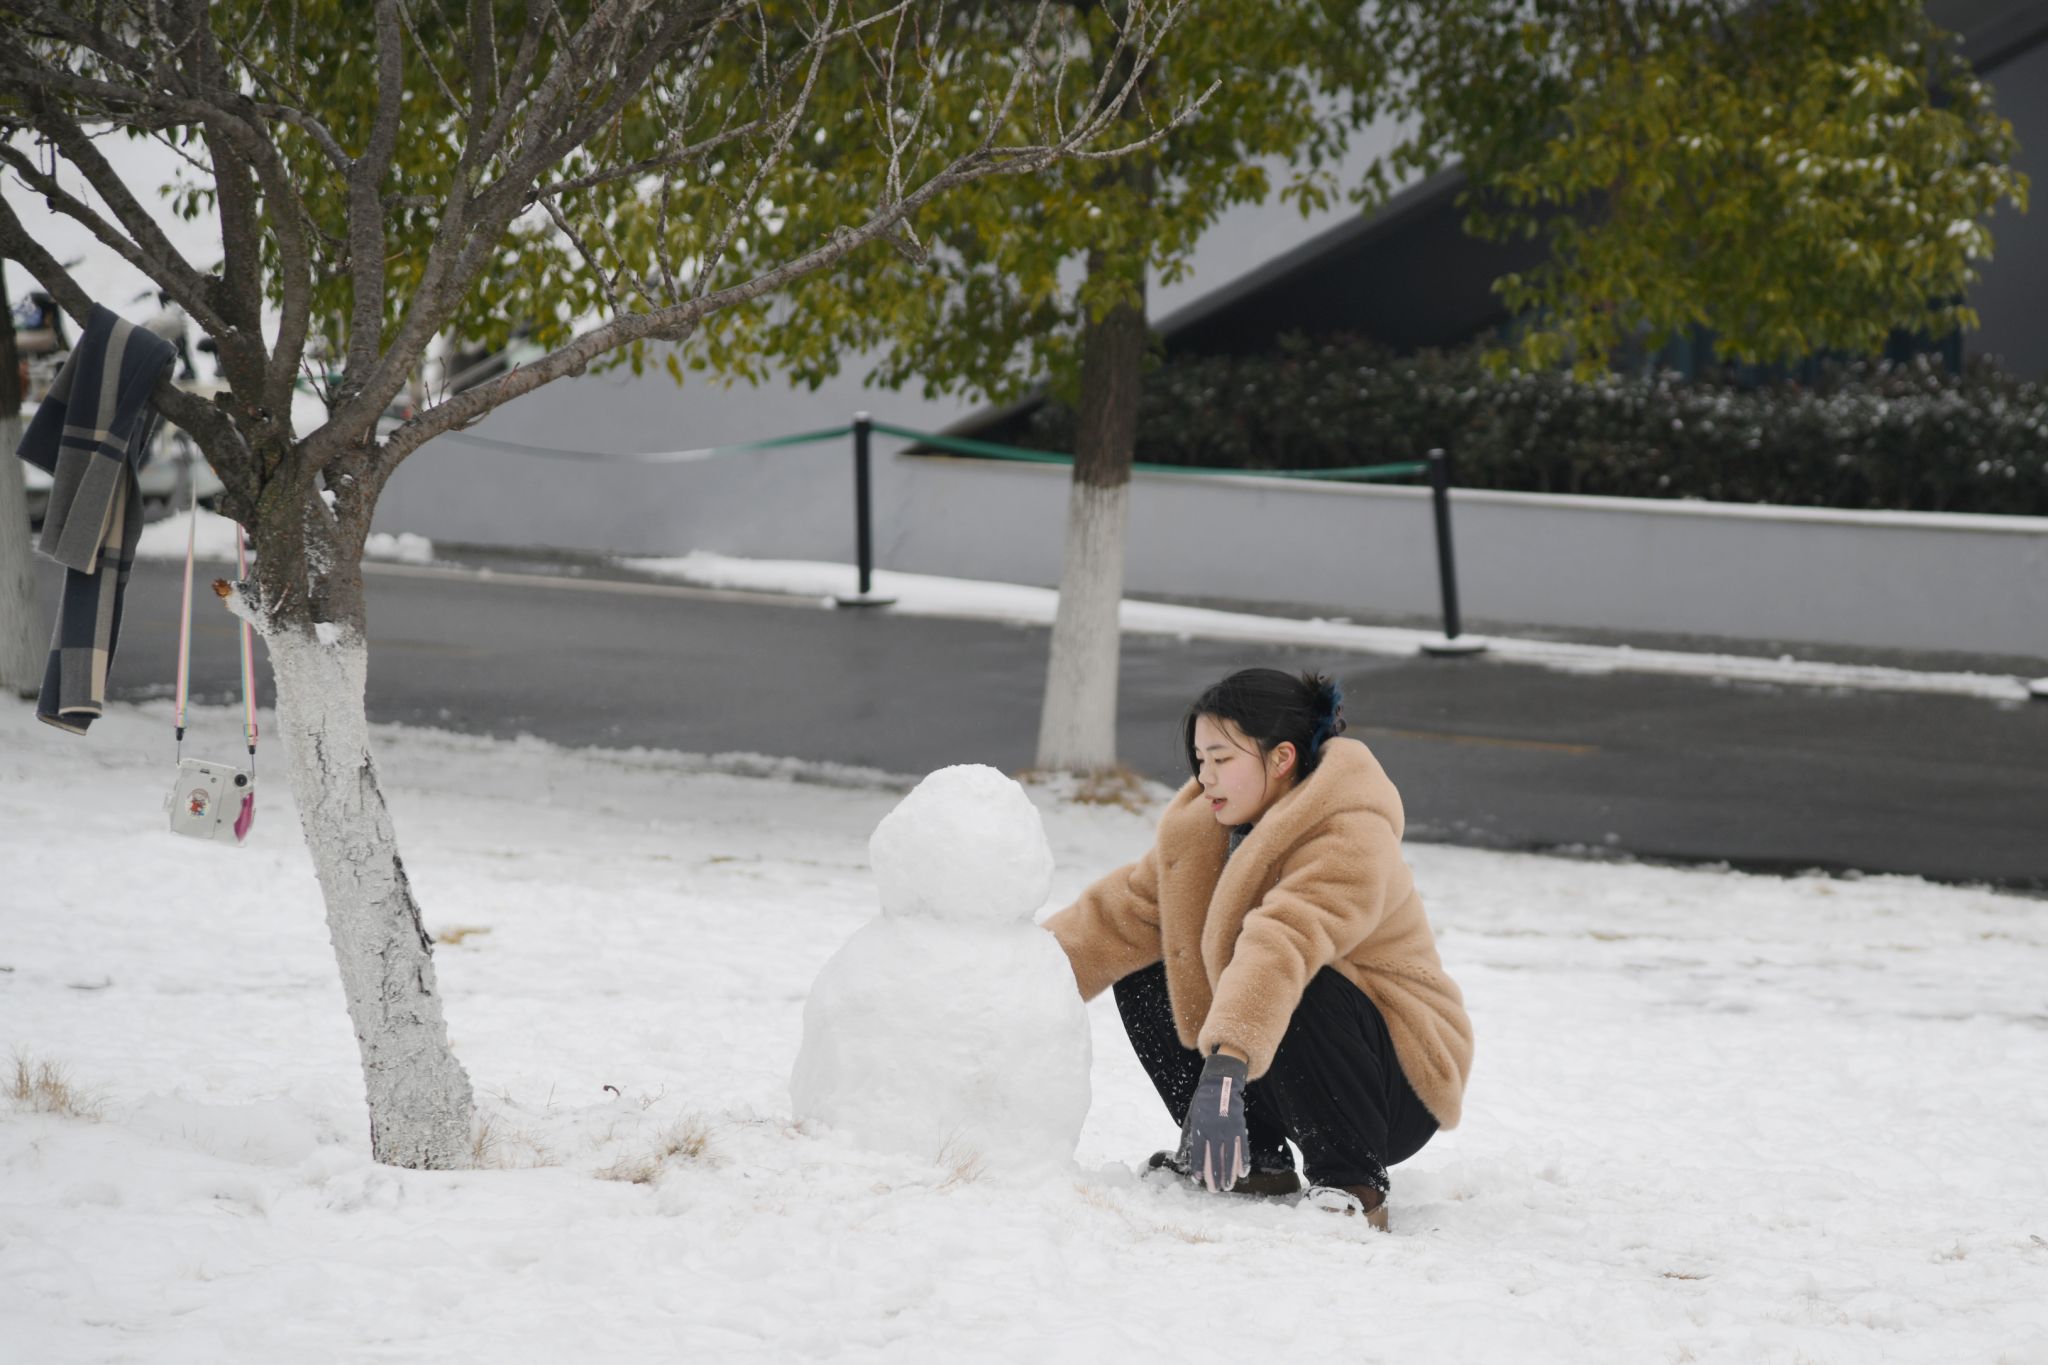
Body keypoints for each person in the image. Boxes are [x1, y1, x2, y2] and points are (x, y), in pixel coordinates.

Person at [1044, 668, 1473, 1228]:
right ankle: (1252, 1161)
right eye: (1200, 759)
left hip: (1395, 1077)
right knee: (1147, 965)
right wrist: (1012, 977)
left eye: (1222, 759)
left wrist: (1225, 1067)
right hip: (1276, 1055)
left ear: (1282, 758)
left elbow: (1285, 940)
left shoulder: (1349, 829)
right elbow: (1128, 913)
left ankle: (1352, 1185)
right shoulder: (1205, 826)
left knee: (1300, 977)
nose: (1206, 776)